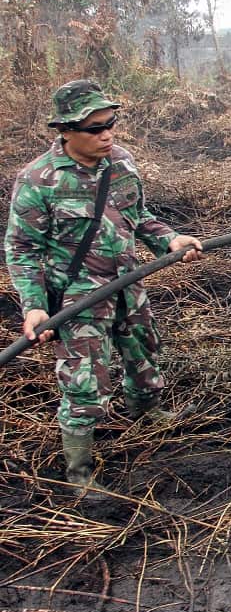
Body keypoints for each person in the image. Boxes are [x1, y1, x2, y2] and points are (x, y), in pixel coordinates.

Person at [5, 80, 204, 496]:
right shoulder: (39, 179)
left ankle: (147, 413)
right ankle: (79, 471)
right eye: (95, 128)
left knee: (144, 352)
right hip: (78, 298)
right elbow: (22, 249)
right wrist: (35, 307)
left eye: (110, 123)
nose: (107, 134)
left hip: (128, 284)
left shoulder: (121, 162)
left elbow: (140, 214)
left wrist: (169, 239)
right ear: (66, 131)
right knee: (83, 384)